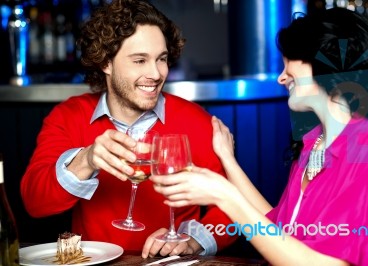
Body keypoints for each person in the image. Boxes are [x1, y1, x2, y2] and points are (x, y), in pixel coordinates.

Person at [150, 7, 368, 266]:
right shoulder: (314, 143)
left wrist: (224, 195)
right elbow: (276, 228)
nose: (281, 77)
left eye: (291, 60)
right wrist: (228, 161)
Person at [20, 0, 236, 258]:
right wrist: (86, 159)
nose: (156, 73)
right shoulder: (68, 116)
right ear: (106, 63)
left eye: (161, 59)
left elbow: (235, 210)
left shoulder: (196, 121)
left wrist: (193, 240)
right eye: (139, 60)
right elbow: (34, 203)